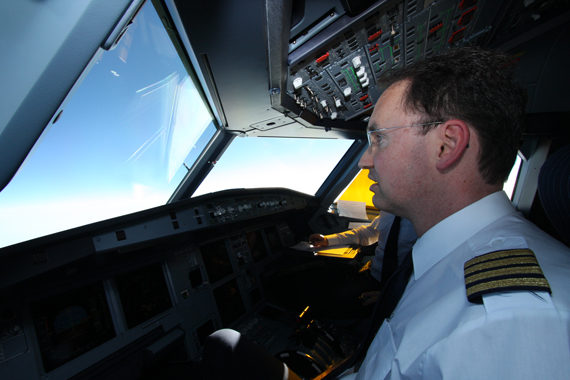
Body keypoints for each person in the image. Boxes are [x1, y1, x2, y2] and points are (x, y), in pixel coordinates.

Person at [203, 47, 570, 379]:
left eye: (379, 138)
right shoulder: (457, 257)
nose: (365, 160)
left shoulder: (511, 323)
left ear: (446, 146)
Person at [308, 211, 416, 305]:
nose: (373, 188)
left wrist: (400, 295)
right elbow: (367, 234)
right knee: (324, 277)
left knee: (334, 297)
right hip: (372, 272)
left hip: (400, 286)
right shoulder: (391, 210)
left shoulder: (426, 220)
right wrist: (328, 240)